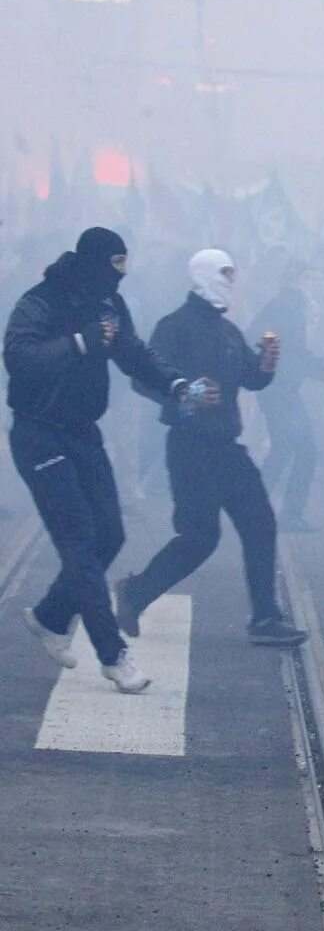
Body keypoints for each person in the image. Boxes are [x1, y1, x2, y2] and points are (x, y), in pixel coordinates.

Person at [10, 227, 214, 693]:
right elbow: (19, 359)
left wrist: (175, 384)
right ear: (92, 262)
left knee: (110, 533)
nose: (120, 275)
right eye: (114, 265)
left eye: (125, 265)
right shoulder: (41, 301)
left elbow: (133, 354)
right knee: (80, 541)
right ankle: (112, 653)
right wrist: (79, 343)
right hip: (39, 434)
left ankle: (49, 616)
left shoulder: (108, 304)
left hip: (83, 433)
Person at [114, 249, 306, 647]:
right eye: (224, 273)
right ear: (201, 275)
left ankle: (266, 616)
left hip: (227, 447)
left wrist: (266, 364)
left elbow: (251, 380)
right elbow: (143, 380)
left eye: (232, 274)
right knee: (199, 537)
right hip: (190, 447)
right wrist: (187, 395)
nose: (230, 281)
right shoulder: (175, 326)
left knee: (260, 524)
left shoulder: (228, 330)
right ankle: (136, 592)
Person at [250, 259, 324, 530]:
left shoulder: (294, 306)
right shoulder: (289, 307)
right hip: (280, 389)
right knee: (301, 450)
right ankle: (270, 513)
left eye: (320, 277)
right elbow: (287, 348)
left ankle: (259, 510)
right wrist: (316, 367)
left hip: (280, 387)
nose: (318, 283)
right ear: (295, 279)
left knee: (287, 449)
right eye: (311, 277)